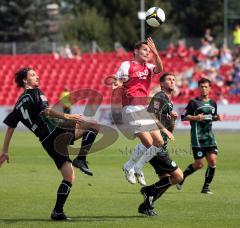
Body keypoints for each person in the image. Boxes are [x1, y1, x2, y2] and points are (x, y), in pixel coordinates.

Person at [0, 67, 99, 220]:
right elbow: (47, 111)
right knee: (93, 125)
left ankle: (57, 212)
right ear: (25, 81)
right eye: (33, 75)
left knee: (69, 177)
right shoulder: (36, 93)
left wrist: (5, 150)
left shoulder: (18, 104)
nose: (37, 76)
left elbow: (10, 126)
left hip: (46, 142)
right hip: (54, 132)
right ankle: (81, 158)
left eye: (36, 74)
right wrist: (69, 115)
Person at [113, 37, 174, 187]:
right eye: (145, 50)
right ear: (136, 51)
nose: (147, 53)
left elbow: (160, 69)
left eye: (149, 51)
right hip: (131, 107)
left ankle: (137, 167)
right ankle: (129, 166)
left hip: (143, 108)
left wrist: (156, 52)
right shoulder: (127, 65)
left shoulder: (148, 67)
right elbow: (118, 79)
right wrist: (118, 83)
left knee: (159, 142)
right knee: (148, 142)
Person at [137, 73, 183, 216]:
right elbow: (149, 114)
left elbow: (169, 130)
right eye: (169, 79)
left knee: (164, 180)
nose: (172, 82)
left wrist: (173, 121)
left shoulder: (169, 102)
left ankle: (146, 206)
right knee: (178, 177)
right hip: (155, 146)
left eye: (174, 80)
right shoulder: (160, 97)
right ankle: (148, 191)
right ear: (162, 84)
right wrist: (164, 130)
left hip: (161, 145)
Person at [176, 78, 223, 194]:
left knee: (212, 161)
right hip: (197, 138)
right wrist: (195, 118)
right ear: (198, 88)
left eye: (206, 87)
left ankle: (206, 187)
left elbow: (211, 117)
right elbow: (183, 117)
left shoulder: (213, 103)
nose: (203, 89)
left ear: (210, 88)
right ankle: (182, 177)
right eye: (201, 87)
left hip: (209, 137)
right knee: (199, 164)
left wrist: (217, 118)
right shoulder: (193, 102)